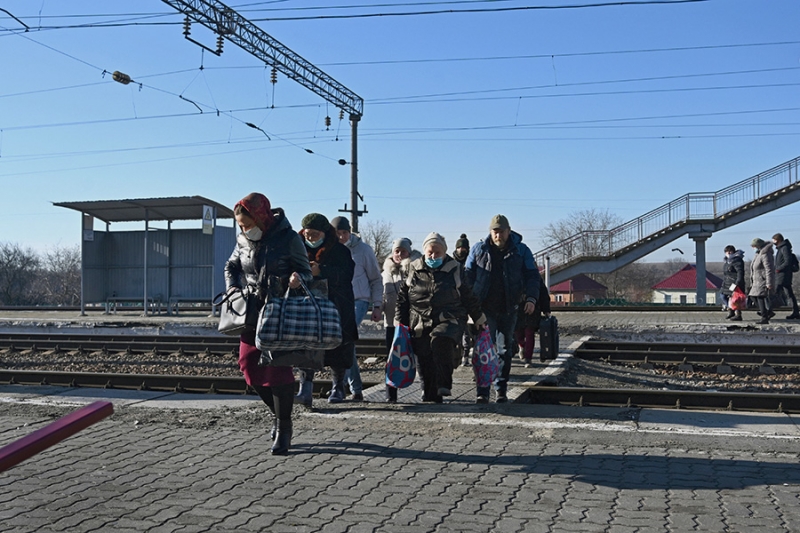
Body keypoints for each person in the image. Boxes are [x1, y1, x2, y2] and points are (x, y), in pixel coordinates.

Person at [224, 193, 311, 455]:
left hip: (279, 309)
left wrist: (296, 279)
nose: (244, 230)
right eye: (240, 226)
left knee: (277, 369)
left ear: (261, 218)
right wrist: (232, 290)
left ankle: (284, 428)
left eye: (247, 225)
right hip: (250, 310)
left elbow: (306, 271)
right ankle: (280, 415)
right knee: (248, 366)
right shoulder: (242, 240)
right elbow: (231, 266)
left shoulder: (289, 238)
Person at [396, 232, 485, 403]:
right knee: (424, 356)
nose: (433, 256)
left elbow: (467, 296)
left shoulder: (455, 269)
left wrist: (479, 318)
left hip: (449, 317)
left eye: (437, 252)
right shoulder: (412, 268)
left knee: (439, 341)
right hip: (420, 319)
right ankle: (431, 395)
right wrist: (401, 323)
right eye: (430, 252)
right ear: (424, 252)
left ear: (444, 252)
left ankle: (445, 383)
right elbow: (402, 299)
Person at [465, 215, 541, 403]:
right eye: (495, 231)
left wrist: (531, 299)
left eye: (501, 231)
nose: (498, 235)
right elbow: (467, 276)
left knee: (505, 350)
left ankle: (501, 388)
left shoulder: (521, 251)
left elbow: (532, 276)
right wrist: (469, 305)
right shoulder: (478, 249)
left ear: (508, 231)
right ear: (490, 232)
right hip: (484, 308)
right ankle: (482, 390)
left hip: (509, 308)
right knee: (483, 349)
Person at [294, 213, 359, 406]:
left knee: (339, 347)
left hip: (336, 306)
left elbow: (346, 275)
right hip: (305, 307)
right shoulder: (297, 248)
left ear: (324, 232)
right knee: (306, 346)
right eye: (307, 234)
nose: (310, 238)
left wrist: (322, 271)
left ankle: (338, 386)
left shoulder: (340, 251)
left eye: (315, 234)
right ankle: (305, 388)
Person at [330, 216, 383, 401]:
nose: (342, 237)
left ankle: (343, 387)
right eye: (338, 233)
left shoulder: (363, 250)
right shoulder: (328, 250)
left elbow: (376, 279)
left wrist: (377, 305)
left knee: (345, 337)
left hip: (358, 300)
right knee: (343, 342)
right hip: (336, 300)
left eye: (345, 233)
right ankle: (354, 389)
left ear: (350, 232)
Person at [381, 237, 421, 402]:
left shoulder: (417, 269)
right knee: (391, 359)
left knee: (420, 357)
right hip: (391, 323)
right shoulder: (386, 272)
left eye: (403, 251)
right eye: (396, 251)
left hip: (414, 321)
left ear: (409, 253)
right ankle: (391, 394)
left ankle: (426, 391)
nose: (399, 254)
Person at [514, 278, 552, 367]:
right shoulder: (514, 273)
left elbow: (543, 294)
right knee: (518, 333)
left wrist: (546, 309)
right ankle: (522, 345)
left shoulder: (536, 278)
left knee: (529, 333)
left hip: (533, 310)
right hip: (518, 310)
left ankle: (528, 359)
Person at [453, 234, 474, 367]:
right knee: (458, 331)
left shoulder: (471, 262)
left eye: (464, 247)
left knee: (467, 331)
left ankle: (466, 355)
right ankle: (460, 355)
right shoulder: (450, 262)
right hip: (455, 301)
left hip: (468, 300)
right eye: (459, 247)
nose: (462, 250)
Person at [772, 233, 800, 319]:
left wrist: (778, 269)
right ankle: (795, 311)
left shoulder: (784, 248)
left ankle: (768, 310)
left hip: (782, 275)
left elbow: (787, 261)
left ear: (778, 240)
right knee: (789, 293)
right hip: (783, 275)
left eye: (774, 240)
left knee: (775, 292)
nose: (773, 242)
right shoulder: (782, 248)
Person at [749, 237, 775, 325]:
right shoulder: (758, 253)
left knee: (760, 297)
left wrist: (769, 282)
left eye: (754, 246)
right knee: (753, 297)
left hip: (762, 279)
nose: (753, 248)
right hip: (756, 280)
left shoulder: (765, 254)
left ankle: (765, 317)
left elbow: (769, 268)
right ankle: (767, 312)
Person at [720, 245, 745, 322]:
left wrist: (737, 283)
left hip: (734, 282)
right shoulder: (728, 261)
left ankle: (737, 314)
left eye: (727, 252)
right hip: (727, 283)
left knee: (735, 298)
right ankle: (731, 310)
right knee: (723, 295)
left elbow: (740, 272)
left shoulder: (736, 260)